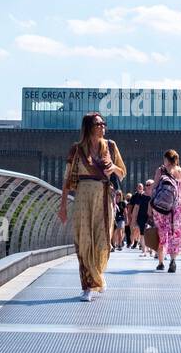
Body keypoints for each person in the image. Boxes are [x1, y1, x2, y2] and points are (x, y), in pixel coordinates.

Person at [58, 111, 126, 301]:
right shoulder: (77, 149)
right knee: (84, 241)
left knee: (103, 241)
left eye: (104, 123)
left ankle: (98, 276)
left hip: (104, 197)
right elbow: (67, 179)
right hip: (83, 198)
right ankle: (88, 286)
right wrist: (62, 206)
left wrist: (113, 168)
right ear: (89, 127)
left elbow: (122, 173)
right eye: (98, 124)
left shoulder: (111, 147)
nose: (102, 127)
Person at [150, 150, 181, 273]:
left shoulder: (160, 171)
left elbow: (154, 188)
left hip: (162, 207)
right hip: (179, 207)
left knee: (161, 232)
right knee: (175, 234)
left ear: (166, 159)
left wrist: (150, 205)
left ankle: (161, 262)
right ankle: (173, 260)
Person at [128, 182, 152, 255]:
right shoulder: (141, 195)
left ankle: (151, 250)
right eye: (147, 185)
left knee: (151, 233)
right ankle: (144, 251)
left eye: (150, 185)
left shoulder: (155, 195)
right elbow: (136, 207)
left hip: (151, 216)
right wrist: (133, 219)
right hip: (141, 216)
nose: (148, 186)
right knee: (142, 234)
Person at [111, 187, 127, 252]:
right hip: (114, 219)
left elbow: (125, 212)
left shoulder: (123, 203)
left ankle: (120, 245)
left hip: (121, 219)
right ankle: (113, 244)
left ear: (121, 195)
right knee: (113, 233)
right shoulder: (112, 202)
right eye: (117, 194)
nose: (118, 196)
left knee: (120, 231)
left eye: (119, 194)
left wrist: (127, 219)